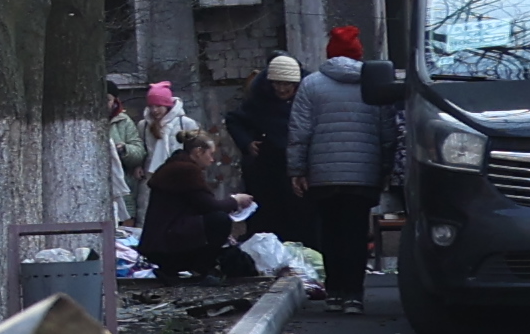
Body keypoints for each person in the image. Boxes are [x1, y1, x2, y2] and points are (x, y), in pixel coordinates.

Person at [282, 24, 394, 306]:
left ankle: (334, 292)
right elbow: (388, 133)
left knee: (330, 232)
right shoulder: (374, 83)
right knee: (355, 234)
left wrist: (297, 170)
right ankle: (354, 296)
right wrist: (385, 169)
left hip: (323, 175)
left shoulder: (311, 85)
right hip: (363, 174)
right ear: (358, 54)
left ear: (329, 53)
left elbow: (299, 131)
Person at [135, 127, 243, 281]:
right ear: (198, 152)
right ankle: (201, 269)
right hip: (167, 244)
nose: (212, 160)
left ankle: (180, 269)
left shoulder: (175, 165)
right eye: (210, 154)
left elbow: (198, 204)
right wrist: (236, 201)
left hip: (159, 242)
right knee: (219, 221)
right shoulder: (186, 170)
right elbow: (210, 206)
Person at [228, 52, 299, 216]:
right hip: (266, 170)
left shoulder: (306, 99)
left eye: (286, 84)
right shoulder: (260, 100)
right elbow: (234, 120)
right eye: (277, 84)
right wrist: (247, 143)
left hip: (297, 168)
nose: (281, 89)